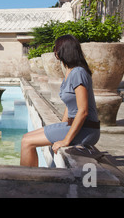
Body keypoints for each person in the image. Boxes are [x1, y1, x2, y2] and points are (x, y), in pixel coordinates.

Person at [20, 34, 100, 167]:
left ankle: (27, 179)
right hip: (74, 125)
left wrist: (66, 140)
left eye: (55, 48)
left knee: (27, 142)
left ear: (61, 52)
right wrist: (60, 127)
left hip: (86, 130)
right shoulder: (70, 72)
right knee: (26, 137)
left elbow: (83, 111)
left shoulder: (78, 73)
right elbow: (70, 105)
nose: (54, 52)